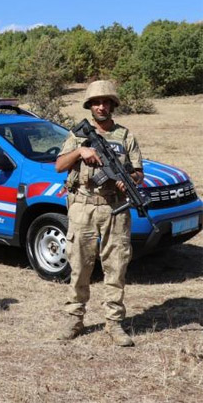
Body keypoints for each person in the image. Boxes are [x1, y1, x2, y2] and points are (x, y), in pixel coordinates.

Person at [54, 80, 143, 346]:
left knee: (116, 266)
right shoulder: (77, 135)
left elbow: (139, 172)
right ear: (90, 106)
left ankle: (114, 323)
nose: (101, 107)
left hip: (116, 208)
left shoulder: (126, 136)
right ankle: (74, 318)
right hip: (83, 206)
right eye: (96, 102)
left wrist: (129, 178)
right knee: (80, 265)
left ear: (113, 105)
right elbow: (59, 165)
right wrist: (80, 151)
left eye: (106, 102)